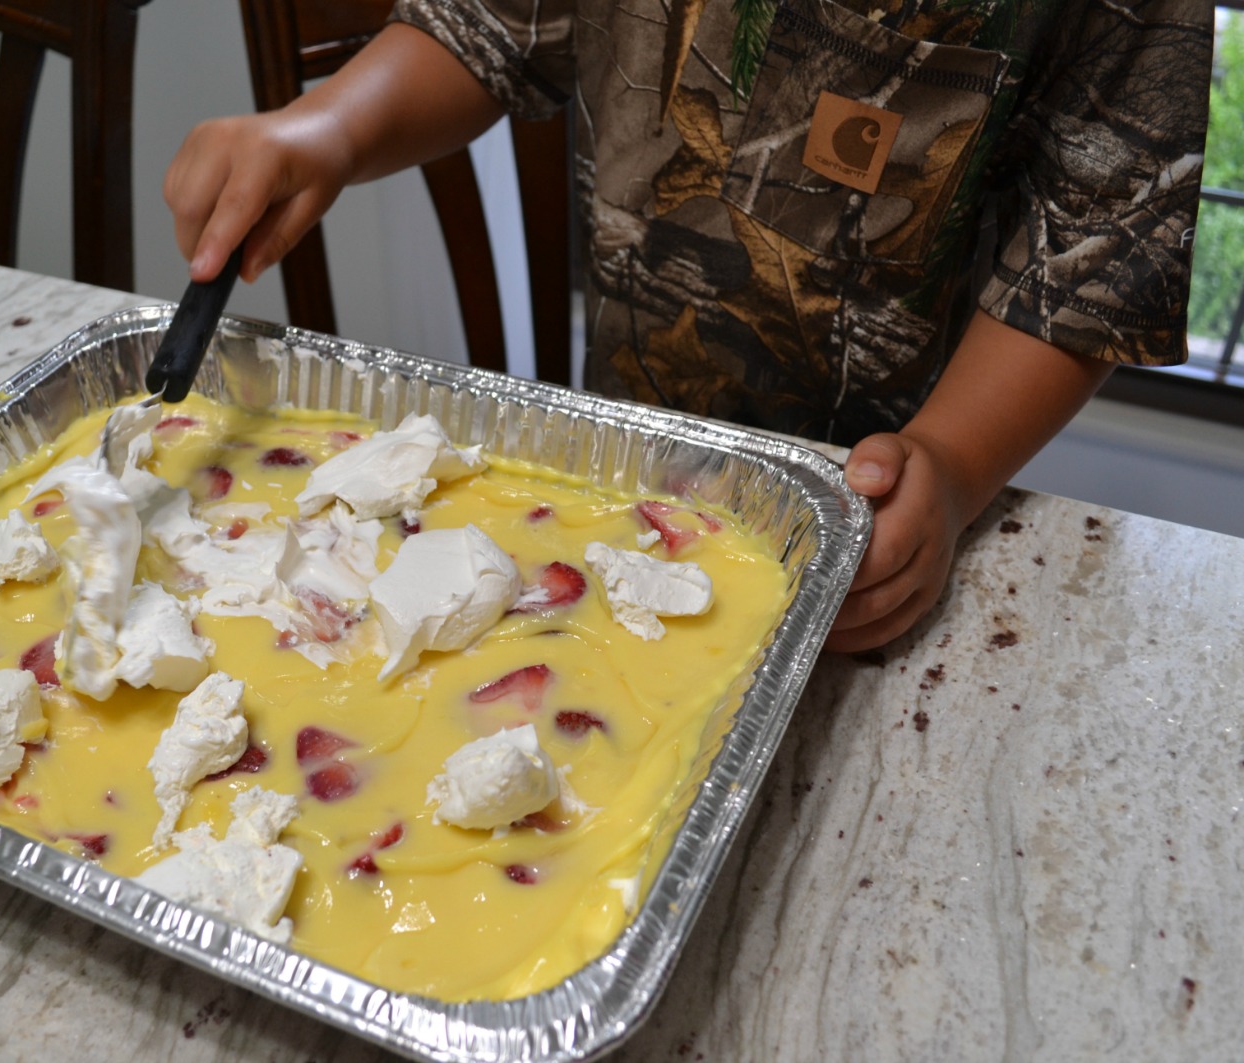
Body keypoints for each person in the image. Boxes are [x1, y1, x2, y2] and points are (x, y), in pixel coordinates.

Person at [163, 0, 1211, 652]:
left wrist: (949, 465)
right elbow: (483, 24)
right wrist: (325, 127)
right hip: (621, 480)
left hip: (880, 514)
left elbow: (1094, 246)